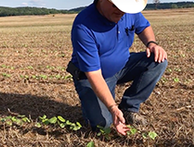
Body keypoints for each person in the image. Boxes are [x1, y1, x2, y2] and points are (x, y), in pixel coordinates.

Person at [66, 0, 168, 136]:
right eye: (116, 5)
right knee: (103, 126)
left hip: (123, 65)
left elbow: (143, 27)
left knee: (158, 60)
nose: (121, 11)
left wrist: (152, 43)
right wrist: (113, 108)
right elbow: (94, 75)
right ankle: (98, 109)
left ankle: (129, 108)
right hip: (93, 76)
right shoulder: (84, 25)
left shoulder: (129, 12)